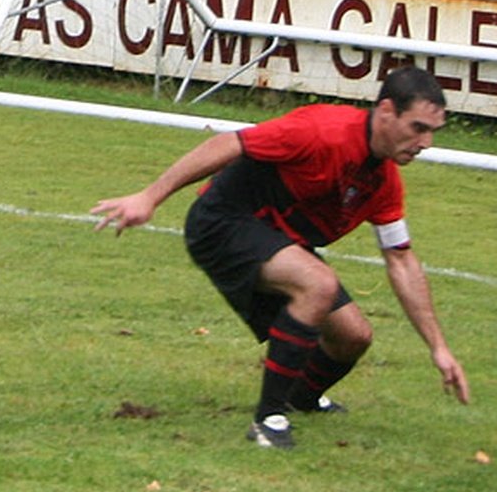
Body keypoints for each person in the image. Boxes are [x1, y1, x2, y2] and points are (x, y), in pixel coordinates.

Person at [91, 66, 470, 450]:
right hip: (223, 221)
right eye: (418, 128)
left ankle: (300, 398)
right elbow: (228, 143)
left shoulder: (384, 182)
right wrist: (150, 197)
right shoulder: (322, 131)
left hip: (277, 238)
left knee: (354, 337)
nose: (426, 142)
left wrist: (438, 347)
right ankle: (268, 420)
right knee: (317, 285)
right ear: (386, 111)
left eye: (432, 132)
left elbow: (401, 261)